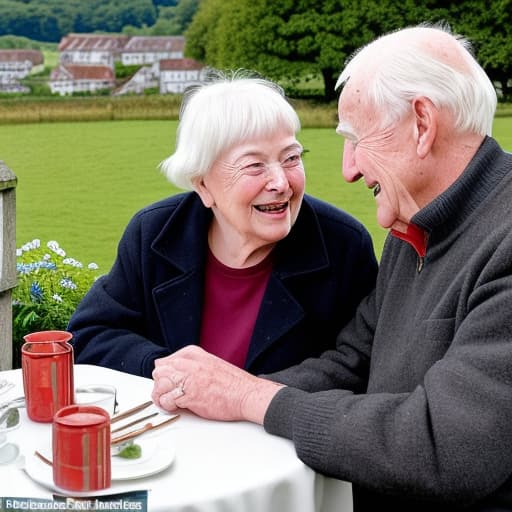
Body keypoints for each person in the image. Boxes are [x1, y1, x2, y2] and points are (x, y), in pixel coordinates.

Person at [151, 24, 512, 511]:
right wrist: (221, 390)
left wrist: (251, 399)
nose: (348, 168)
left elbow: (442, 448)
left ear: (422, 124)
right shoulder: (413, 230)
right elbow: (350, 361)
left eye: (356, 138)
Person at [68, 71, 378, 378]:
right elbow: (90, 334)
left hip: (276, 427)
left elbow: (359, 362)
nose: (281, 182)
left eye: (292, 158)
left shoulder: (342, 245)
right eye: (255, 165)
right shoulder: (155, 234)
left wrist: (243, 396)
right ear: (203, 184)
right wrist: (168, 371)